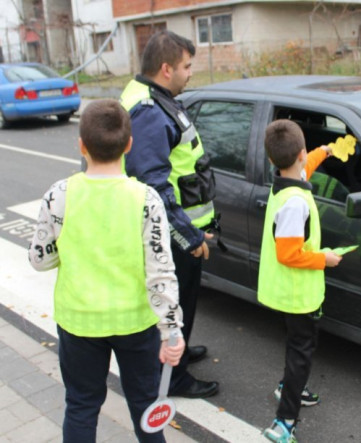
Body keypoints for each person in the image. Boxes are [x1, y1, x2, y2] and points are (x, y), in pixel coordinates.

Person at [27, 99, 185, 442]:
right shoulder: (146, 200)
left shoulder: (60, 195)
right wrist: (172, 330)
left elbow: (40, 259)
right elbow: (161, 272)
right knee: (145, 405)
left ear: (81, 145)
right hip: (135, 323)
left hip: (79, 322)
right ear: (129, 144)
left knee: (81, 405)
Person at [120, 30, 219, 398]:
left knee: (182, 302)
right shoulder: (148, 110)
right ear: (166, 69)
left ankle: (178, 352)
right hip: (173, 233)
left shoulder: (155, 97)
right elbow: (153, 184)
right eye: (186, 66)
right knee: (174, 303)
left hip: (181, 227)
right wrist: (188, 236)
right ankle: (174, 377)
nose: (190, 72)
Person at [258, 119, 343, 443]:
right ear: (301, 154)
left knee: (296, 345)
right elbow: (288, 254)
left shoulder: (284, 182)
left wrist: (326, 151)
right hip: (296, 293)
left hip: (285, 290)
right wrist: (326, 259)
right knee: (301, 353)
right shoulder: (295, 204)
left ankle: (286, 387)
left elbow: (306, 168)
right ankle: (284, 422)